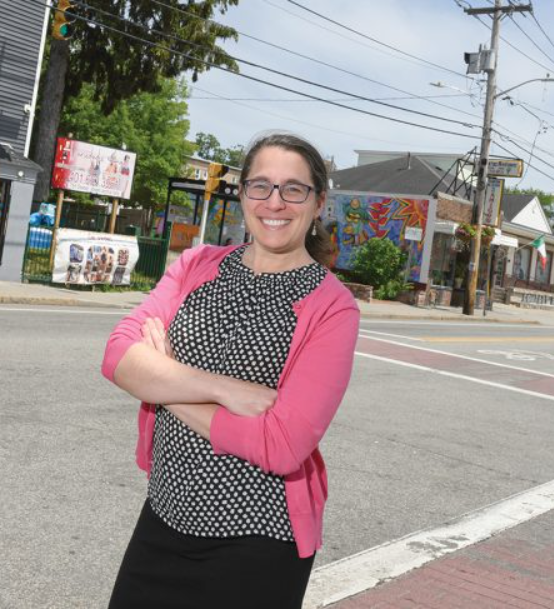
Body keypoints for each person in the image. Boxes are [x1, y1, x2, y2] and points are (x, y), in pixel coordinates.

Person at [101, 132, 360, 609]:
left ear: (318, 202)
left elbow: (282, 445)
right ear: (242, 194)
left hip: (258, 541)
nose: (274, 202)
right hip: (164, 515)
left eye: (293, 189)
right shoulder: (195, 265)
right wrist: (223, 389)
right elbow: (118, 356)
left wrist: (163, 381)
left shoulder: (332, 307)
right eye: (260, 186)